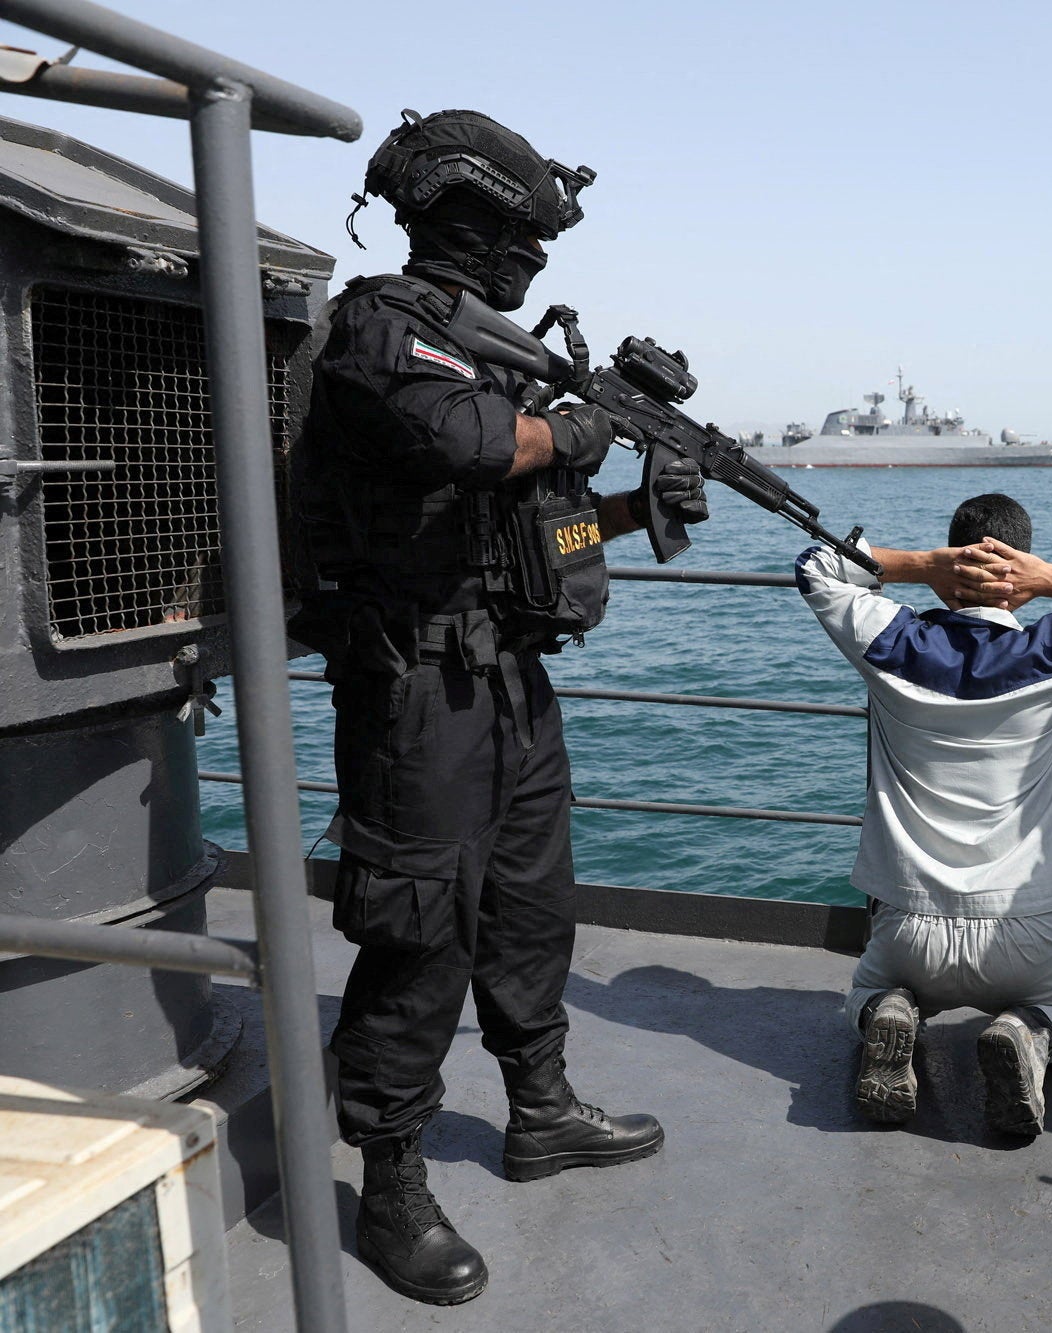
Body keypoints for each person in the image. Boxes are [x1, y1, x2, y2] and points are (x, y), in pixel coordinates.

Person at [290, 109, 711, 1305]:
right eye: (525, 238)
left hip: (509, 677)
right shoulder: (387, 328)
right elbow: (478, 450)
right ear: (477, 226)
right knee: (419, 927)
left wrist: (642, 502)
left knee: (530, 905)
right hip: (415, 685)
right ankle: (392, 1175)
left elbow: (538, 526)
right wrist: (596, 419)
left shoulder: (495, 356)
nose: (534, 265)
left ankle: (541, 1108)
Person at [795, 494, 1052, 1136]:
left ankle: (892, 1007)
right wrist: (1051, 578)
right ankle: (1026, 1032)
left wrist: (921, 565)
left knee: (861, 997)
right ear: (1020, 577)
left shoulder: (890, 644)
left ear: (951, 565)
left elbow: (814, 567)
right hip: (1023, 929)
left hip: (905, 929)